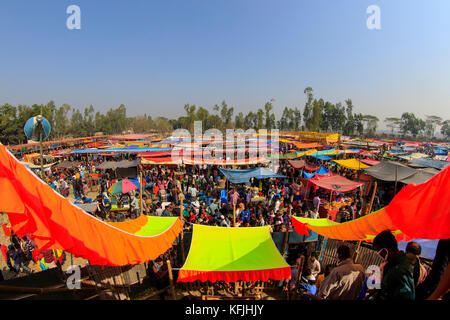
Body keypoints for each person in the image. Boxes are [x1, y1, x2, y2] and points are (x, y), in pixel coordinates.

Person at [373, 230, 415, 300]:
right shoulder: (389, 265)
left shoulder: (402, 269)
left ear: (386, 250)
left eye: (379, 252)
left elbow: (405, 295)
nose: (379, 255)